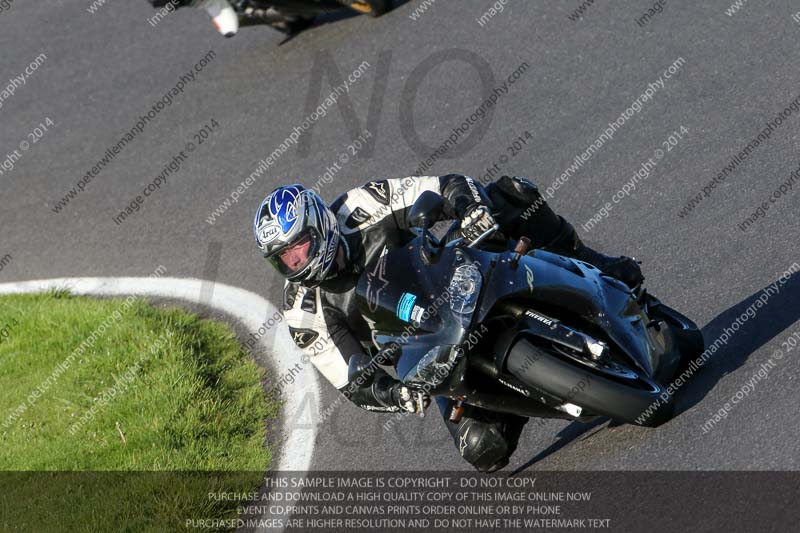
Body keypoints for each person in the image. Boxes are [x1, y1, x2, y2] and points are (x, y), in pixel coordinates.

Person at [253, 175, 643, 472]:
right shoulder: (303, 313)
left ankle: (598, 266)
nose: (296, 262)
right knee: (483, 449)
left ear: (319, 225)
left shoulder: (362, 204)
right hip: (428, 353)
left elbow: (448, 185)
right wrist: (394, 395)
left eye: (299, 245)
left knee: (510, 194)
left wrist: (468, 209)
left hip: (455, 275)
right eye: (284, 258)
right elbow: (353, 381)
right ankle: (538, 390)